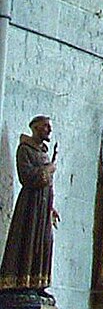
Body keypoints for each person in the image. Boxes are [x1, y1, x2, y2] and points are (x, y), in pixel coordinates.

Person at [0, 116, 58, 295]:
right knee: (28, 239)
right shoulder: (25, 149)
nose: (49, 130)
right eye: (46, 126)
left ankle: (38, 283)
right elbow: (26, 176)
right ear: (35, 128)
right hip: (30, 205)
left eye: (50, 127)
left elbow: (49, 184)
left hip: (43, 205)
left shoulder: (44, 153)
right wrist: (48, 169)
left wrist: (51, 207)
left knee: (44, 241)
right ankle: (20, 283)